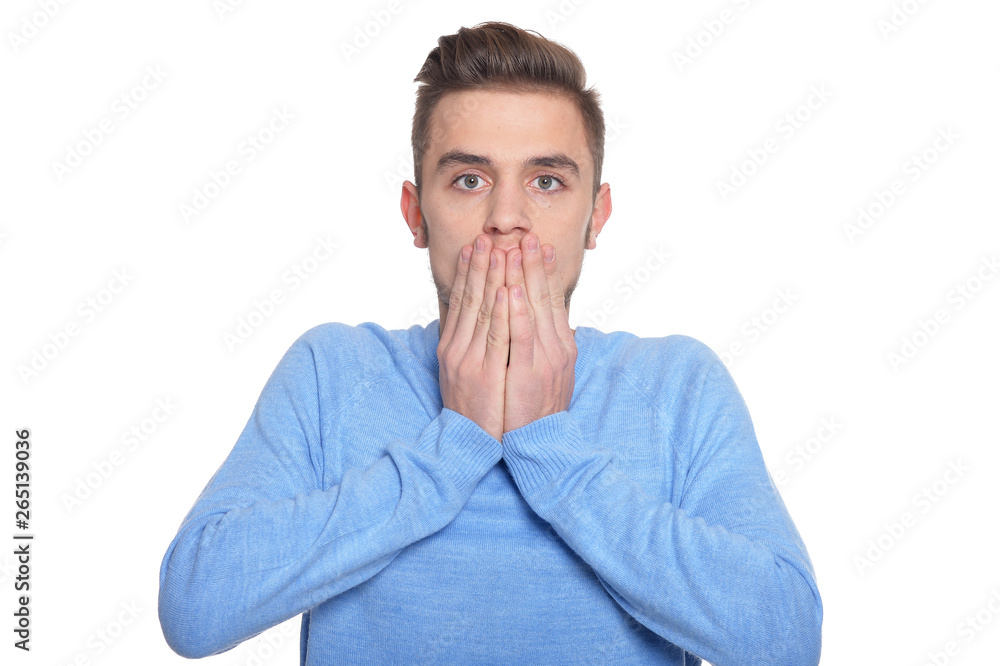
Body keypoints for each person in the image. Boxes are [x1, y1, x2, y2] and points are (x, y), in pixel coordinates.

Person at [159, 21, 823, 665]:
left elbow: (786, 640)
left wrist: (553, 450)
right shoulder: (334, 373)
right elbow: (195, 607)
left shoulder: (677, 385)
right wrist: (453, 446)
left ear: (597, 215)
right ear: (416, 215)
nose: (506, 218)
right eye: (469, 180)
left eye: (547, 182)